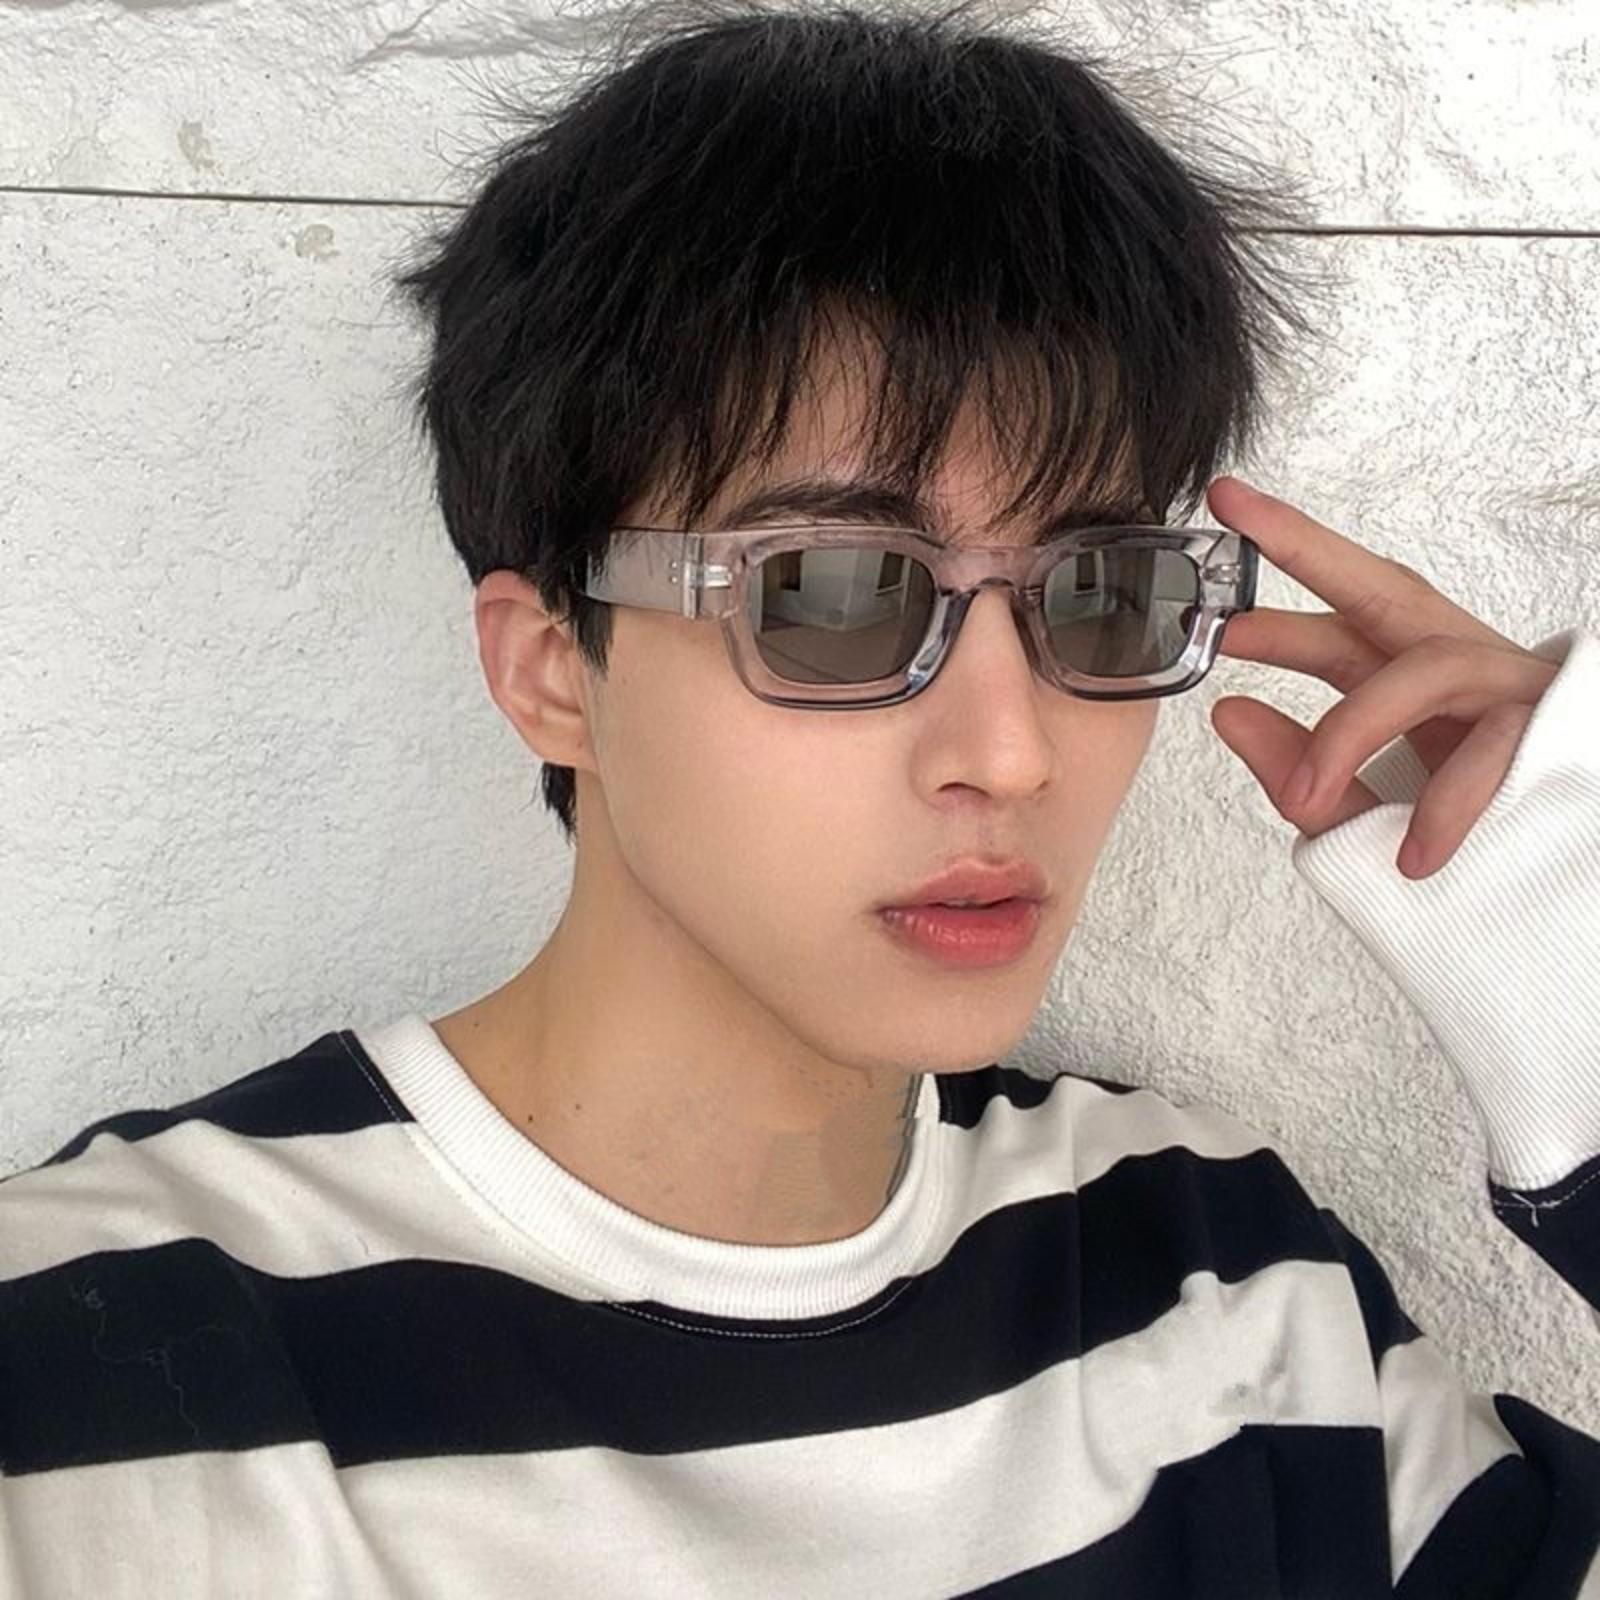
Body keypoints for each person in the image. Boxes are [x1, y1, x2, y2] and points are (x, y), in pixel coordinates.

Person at [3, 2, 1597, 1593]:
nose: (1012, 752)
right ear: (553, 668)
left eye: (1102, 587)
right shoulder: (109, 1366)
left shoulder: (1222, 1278)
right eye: (833, 593)